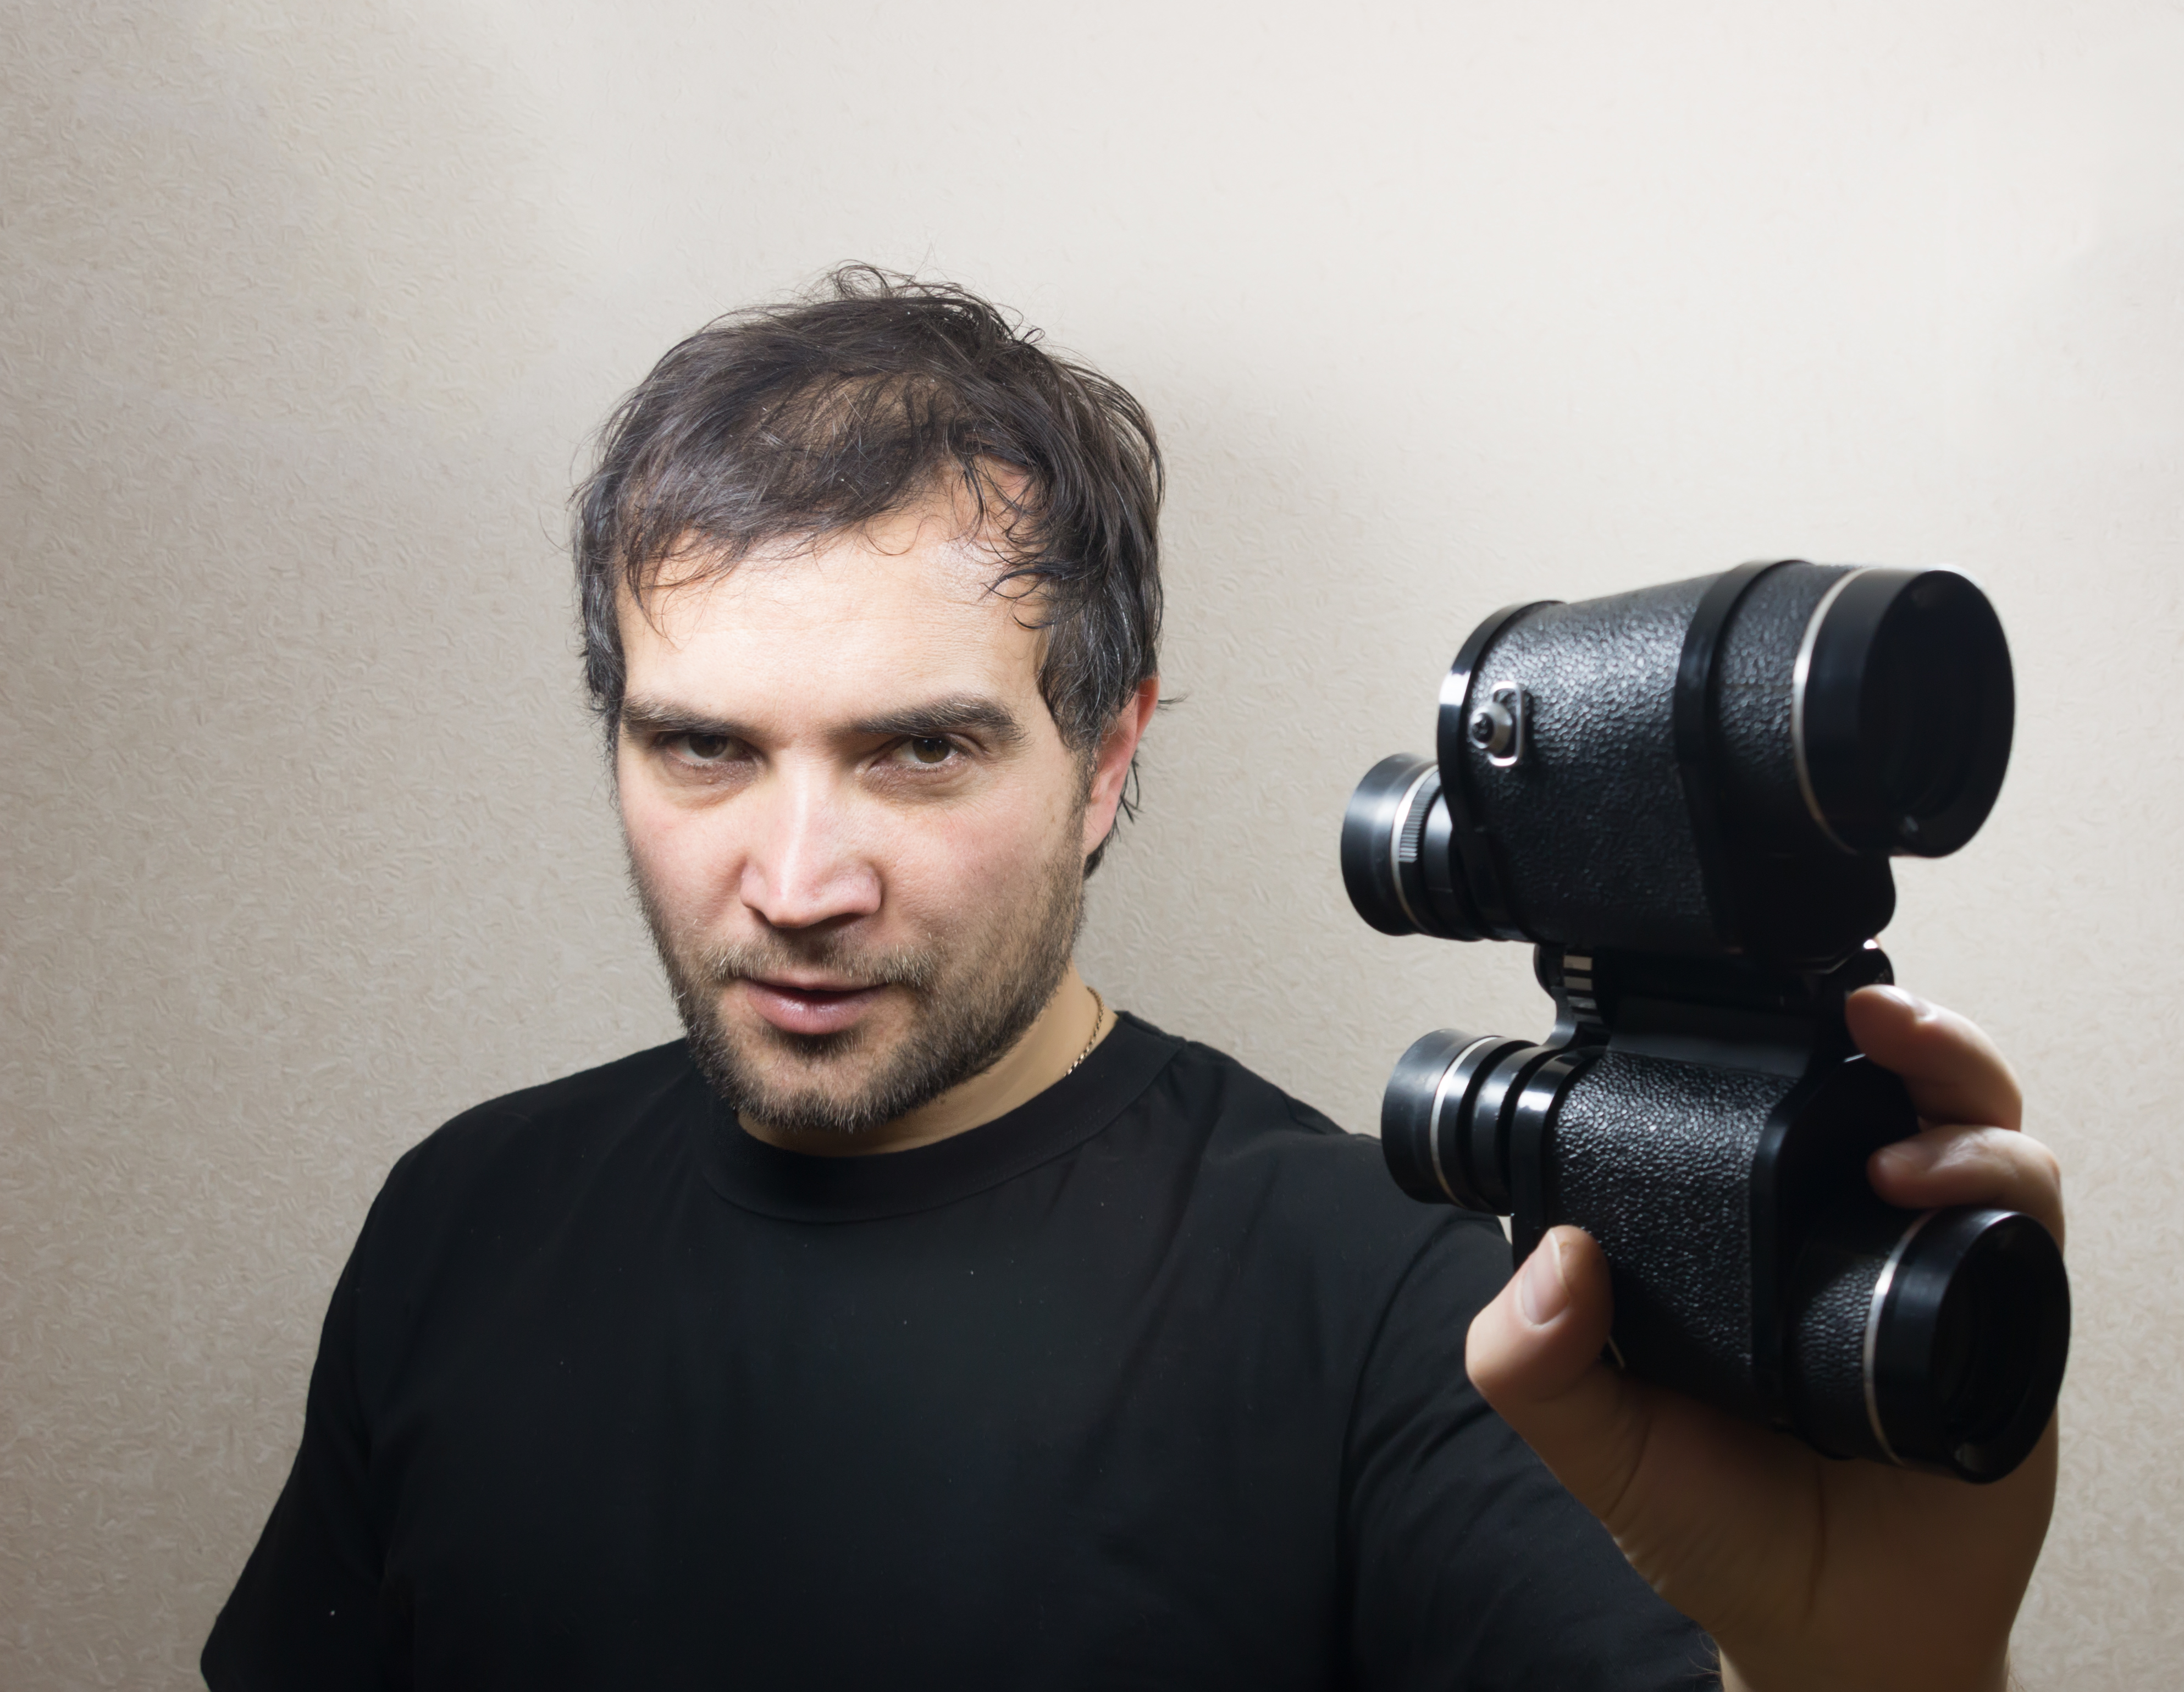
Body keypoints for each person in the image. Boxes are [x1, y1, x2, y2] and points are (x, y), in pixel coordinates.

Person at [202, 268, 2066, 1691]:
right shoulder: (459, 1217)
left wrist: (1874, 1672)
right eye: (703, 749)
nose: (792, 883)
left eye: (920, 751)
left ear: (1108, 760)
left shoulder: (1406, 1298)